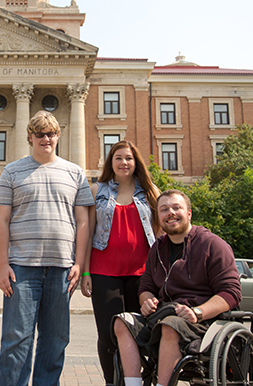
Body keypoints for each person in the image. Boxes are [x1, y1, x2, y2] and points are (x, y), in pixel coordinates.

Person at [0, 110, 94, 386]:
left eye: (51, 133)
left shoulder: (74, 172)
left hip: (62, 268)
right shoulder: (12, 171)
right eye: (40, 134)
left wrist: (79, 264)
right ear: (30, 137)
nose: (46, 139)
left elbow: (83, 221)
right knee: (16, 339)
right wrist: (3, 266)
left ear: (58, 136)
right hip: (21, 268)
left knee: (55, 339)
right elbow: (1, 219)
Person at [112, 190, 242, 386]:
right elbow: (146, 286)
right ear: (159, 217)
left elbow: (231, 292)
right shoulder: (157, 248)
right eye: (164, 209)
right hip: (164, 315)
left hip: (203, 321)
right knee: (122, 322)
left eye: (176, 207)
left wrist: (198, 312)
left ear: (189, 213)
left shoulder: (212, 244)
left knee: (170, 326)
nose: (170, 213)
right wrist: (146, 300)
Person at [80, 140, 159, 384]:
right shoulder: (97, 191)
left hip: (142, 274)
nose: (124, 162)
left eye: (128, 158)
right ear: (110, 163)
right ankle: (112, 381)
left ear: (136, 163)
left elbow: (162, 232)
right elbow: (88, 231)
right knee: (107, 333)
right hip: (104, 272)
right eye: (118, 158)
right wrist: (85, 272)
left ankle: (137, 380)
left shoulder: (150, 191)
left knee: (140, 332)